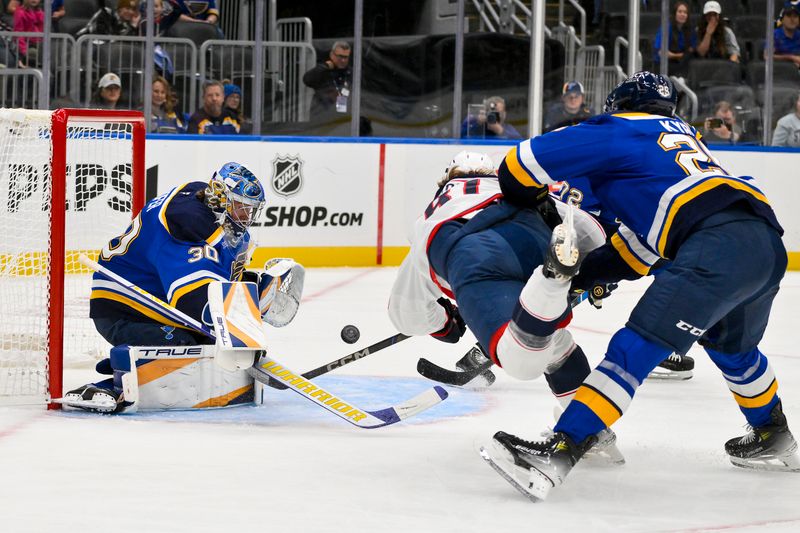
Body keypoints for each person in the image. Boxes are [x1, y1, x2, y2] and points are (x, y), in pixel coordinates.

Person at [480, 71, 797, 502]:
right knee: (733, 350)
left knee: (634, 347)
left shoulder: (618, 129)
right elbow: (638, 252)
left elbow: (516, 167)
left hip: (716, 245)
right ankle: (773, 435)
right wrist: (584, 276)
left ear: (620, 106)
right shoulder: (681, 144)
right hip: (763, 243)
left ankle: (561, 449)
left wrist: (535, 208)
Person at [388, 150, 624, 463]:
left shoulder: (430, 217)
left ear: (445, 181)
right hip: (535, 234)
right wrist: (600, 270)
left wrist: (445, 323)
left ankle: (550, 283)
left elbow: (407, 314)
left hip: (474, 254)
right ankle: (591, 429)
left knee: (522, 360)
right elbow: (588, 230)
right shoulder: (514, 187)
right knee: (552, 341)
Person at [63, 162, 305, 413]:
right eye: (242, 208)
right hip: (122, 308)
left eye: (251, 210)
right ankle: (113, 385)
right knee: (186, 344)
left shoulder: (209, 211)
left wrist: (250, 284)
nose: (247, 217)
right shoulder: (185, 223)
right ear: (221, 198)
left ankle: (130, 363)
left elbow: (217, 278)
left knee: (207, 343)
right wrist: (251, 305)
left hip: (153, 299)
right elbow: (191, 303)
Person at [303, 41, 353, 118]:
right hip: (321, 113)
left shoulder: (349, 72)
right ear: (332, 55)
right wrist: (325, 66)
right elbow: (307, 79)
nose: (343, 60)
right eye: (340, 56)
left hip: (342, 114)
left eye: (345, 57)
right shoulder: (324, 70)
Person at [652, 1, 697, 77]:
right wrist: (679, 55)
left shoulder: (690, 30)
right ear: (675, 14)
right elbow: (661, 53)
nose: (682, 14)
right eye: (680, 12)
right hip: (664, 65)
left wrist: (681, 55)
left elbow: (692, 49)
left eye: (685, 12)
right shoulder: (666, 27)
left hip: (681, 64)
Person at [12, 0, 43, 67]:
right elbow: (18, 34)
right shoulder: (20, 12)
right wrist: (24, 51)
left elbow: (42, 32)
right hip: (25, 45)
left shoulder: (41, 13)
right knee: (33, 53)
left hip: (38, 44)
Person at [773, 1, 800, 67]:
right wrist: (792, 58)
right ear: (782, 19)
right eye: (788, 15)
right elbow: (767, 56)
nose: (792, 19)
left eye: (795, 16)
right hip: (781, 70)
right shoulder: (774, 35)